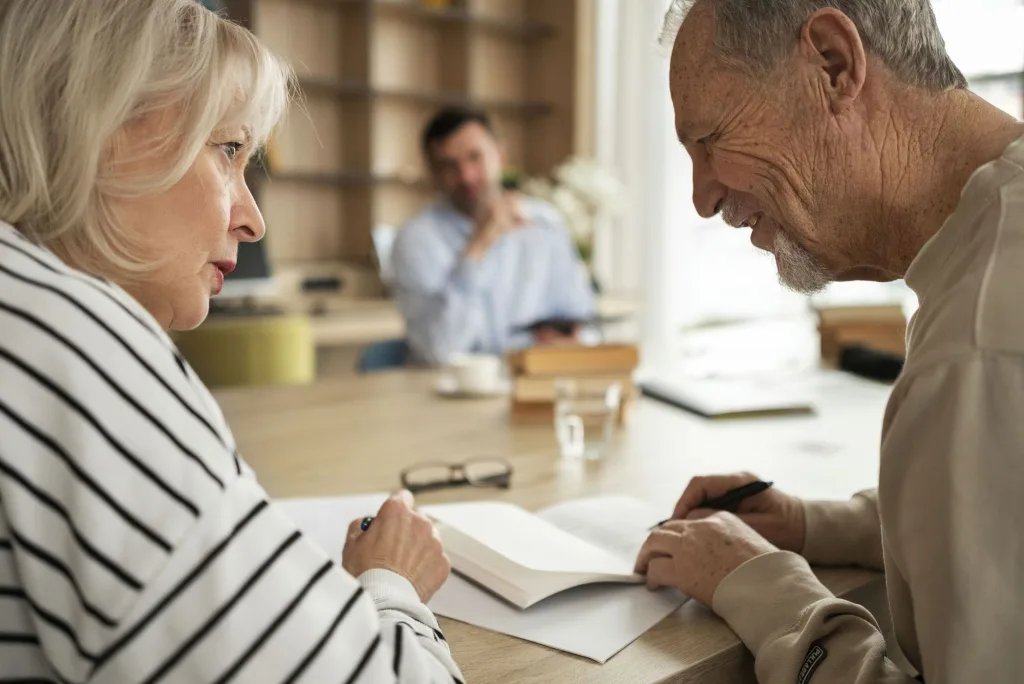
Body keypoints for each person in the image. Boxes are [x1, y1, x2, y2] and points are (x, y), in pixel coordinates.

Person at [0, 1, 463, 682]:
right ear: (98, 124)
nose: (253, 222)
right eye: (228, 150)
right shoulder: (79, 353)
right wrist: (392, 584)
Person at [634, 1, 1024, 683]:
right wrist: (817, 525)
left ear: (833, 64)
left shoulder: (979, 345)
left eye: (709, 141)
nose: (700, 197)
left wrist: (760, 584)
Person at [391, 106, 596, 365]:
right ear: (433, 173)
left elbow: (586, 327)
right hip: (448, 397)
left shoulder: (545, 226)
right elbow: (439, 353)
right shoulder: (415, 241)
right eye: (449, 165)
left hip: (536, 382)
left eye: (475, 157)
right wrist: (478, 247)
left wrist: (570, 342)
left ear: (500, 155)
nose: (466, 175)